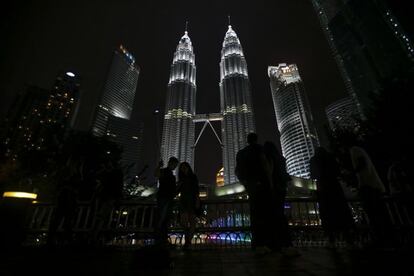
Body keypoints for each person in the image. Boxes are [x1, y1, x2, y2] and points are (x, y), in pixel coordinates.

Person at [310, 147, 354, 247]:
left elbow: (313, 175)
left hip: (323, 188)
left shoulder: (314, 160)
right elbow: (338, 171)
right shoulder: (330, 157)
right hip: (335, 186)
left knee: (326, 213)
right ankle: (348, 238)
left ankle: (331, 239)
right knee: (341, 211)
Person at [235, 133, 272, 253]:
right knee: (266, 213)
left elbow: (237, 171)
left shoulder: (241, 153)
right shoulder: (262, 150)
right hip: (264, 185)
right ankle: (267, 243)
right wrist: (270, 183)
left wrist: (246, 184)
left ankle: (257, 244)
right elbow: (267, 166)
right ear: (256, 140)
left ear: (247, 140)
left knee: (255, 214)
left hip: (252, 187)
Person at [349, 145, 391, 247]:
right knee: (379, 213)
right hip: (372, 186)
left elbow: (362, 163)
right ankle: (385, 237)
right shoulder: (360, 150)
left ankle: (381, 239)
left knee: (374, 213)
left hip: (368, 186)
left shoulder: (354, 150)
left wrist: (352, 174)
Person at [263, 141, 293, 251]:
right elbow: (285, 175)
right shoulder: (281, 158)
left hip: (272, 190)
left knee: (273, 216)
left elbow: (269, 174)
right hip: (281, 190)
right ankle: (286, 243)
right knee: (280, 215)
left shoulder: (268, 158)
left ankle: (276, 244)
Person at [90, 160, 123, 245]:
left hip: (106, 197)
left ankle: (95, 236)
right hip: (107, 197)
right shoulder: (115, 173)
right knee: (102, 217)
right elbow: (119, 186)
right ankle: (98, 237)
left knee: (100, 216)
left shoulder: (110, 173)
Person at [154, 157, 179, 246]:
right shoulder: (164, 171)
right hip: (163, 198)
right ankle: (159, 240)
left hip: (169, 199)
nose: (175, 166)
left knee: (165, 220)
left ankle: (163, 240)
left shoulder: (172, 175)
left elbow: (173, 189)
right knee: (162, 218)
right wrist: (159, 166)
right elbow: (156, 174)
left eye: (176, 165)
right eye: (174, 164)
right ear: (170, 163)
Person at [176, 162, 200, 250]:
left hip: (192, 201)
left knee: (192, 222)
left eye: (185, 167)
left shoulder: (193, 177)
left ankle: (187, 242)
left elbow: (196, 189)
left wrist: (197, 200)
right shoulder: (181, 179)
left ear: (188, 167)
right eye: (182, 168)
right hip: (183, 201)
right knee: (184, 222)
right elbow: (177, 191)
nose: (183, 169)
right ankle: (188, 241)